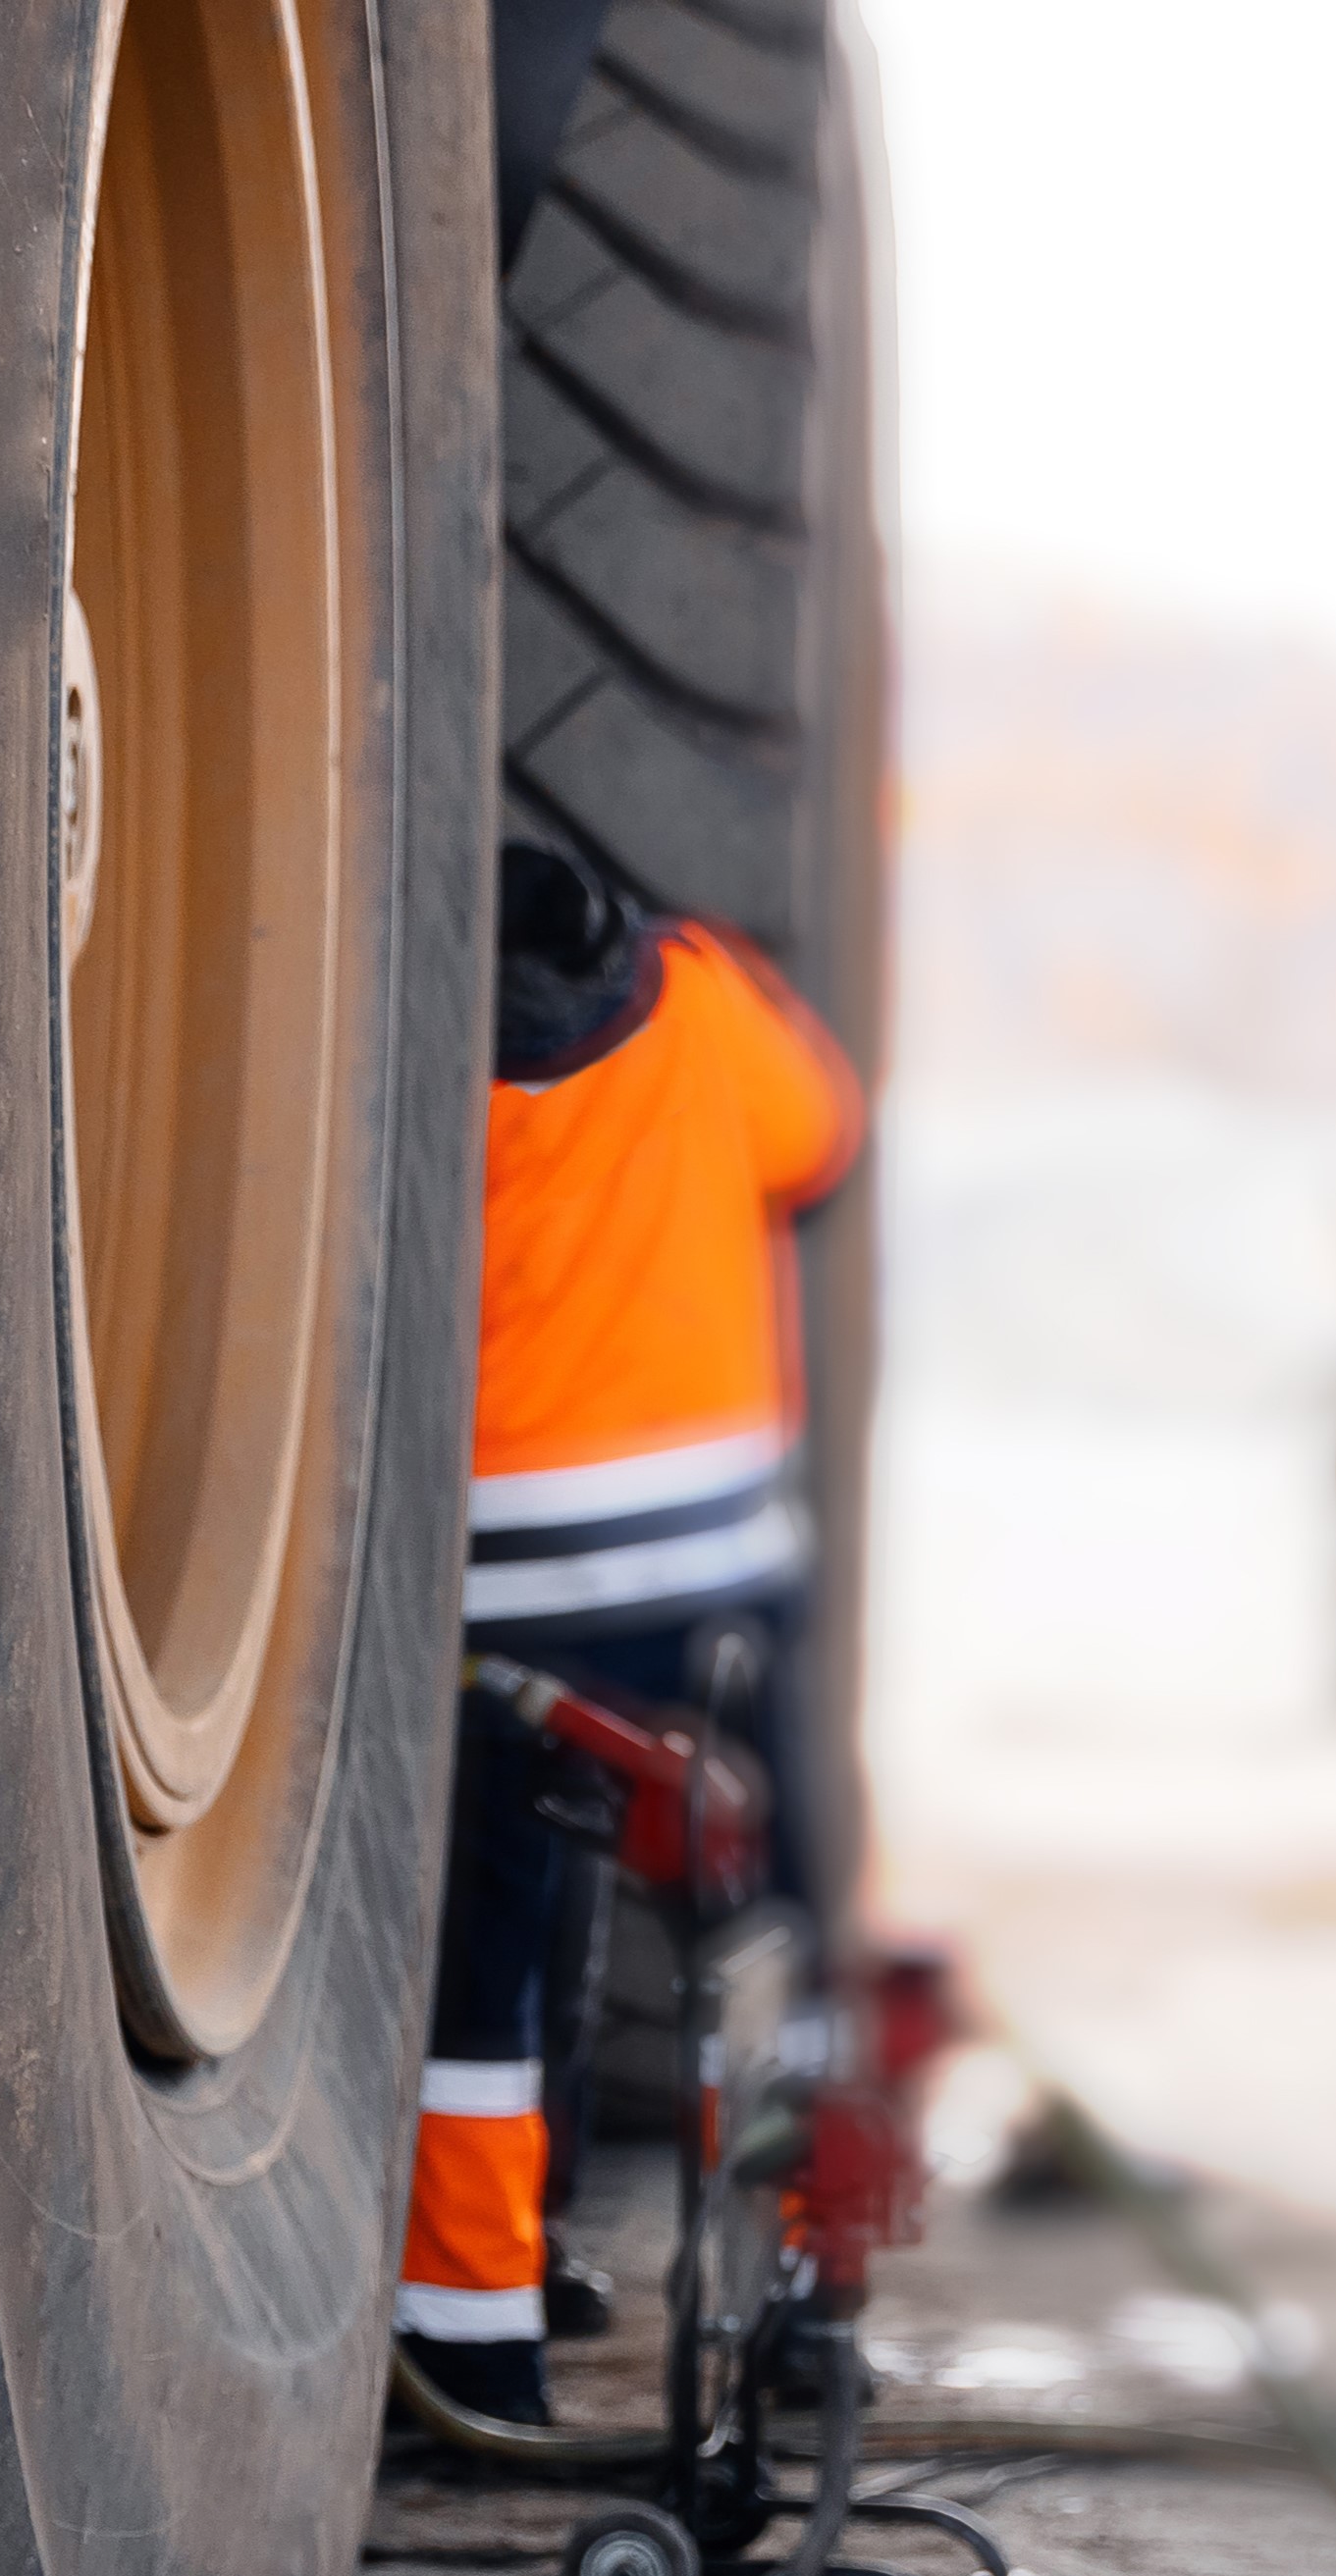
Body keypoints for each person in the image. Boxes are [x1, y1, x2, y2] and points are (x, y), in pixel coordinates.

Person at [397, 844, 865, 2422]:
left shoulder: (415, 1045)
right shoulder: (707, 998)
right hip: (718, 1586)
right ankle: (805, 2310)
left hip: (504, 1608)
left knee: (490, 1978)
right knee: (776, 1941)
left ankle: (475, 2346)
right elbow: (825, 1144)